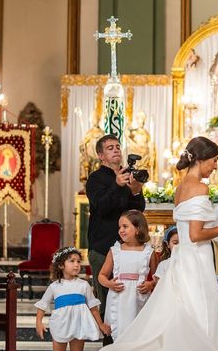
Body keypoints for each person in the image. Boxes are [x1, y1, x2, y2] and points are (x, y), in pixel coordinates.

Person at [102, 136, 218, 350]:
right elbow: (196, 234)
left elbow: (190, 229)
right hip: (196, 260)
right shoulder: (199, 187)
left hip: (184, 258)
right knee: (200, 312)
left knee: (182, 312)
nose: (216, 166)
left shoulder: (181, 187)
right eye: (214, 160)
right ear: (201, 159)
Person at [86, 134, 145, 321]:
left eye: (118, 146)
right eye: (110, 148)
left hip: (127, 247)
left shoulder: (127, 175)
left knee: (128, 299)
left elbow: (138, 210)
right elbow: (102, 206)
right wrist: (118, 185)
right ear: (101, 155)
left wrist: (136, 190)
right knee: (106, 301)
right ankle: (108, 343)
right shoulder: (95, 179)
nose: (116, 150)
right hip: (103, 247)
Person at [35, 247, 111, 350]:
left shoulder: (83, 285)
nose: (76, 264)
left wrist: (101, 324)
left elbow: (92, 306)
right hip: (60, 323)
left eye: (78, 261)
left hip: (79, 324)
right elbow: (42, 305)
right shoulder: (54, 286)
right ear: (61, 265)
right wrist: (39, 323)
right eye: (72, 261)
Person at [98, 210, 157, 341]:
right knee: (118, 329)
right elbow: (101, 275)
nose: (121, 230)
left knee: (137, 331)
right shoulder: (115, 251)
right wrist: (109, 284)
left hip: (139, 296)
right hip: (118, 296)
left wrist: (150, 284)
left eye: (125, 226)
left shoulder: (149, 252)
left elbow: (157, 277)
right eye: (119, 227)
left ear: (138, 229)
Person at [125, 111, 157, 181]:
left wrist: (152, 155)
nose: (141, 121)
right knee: (136, 171)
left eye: (142, 119)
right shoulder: (134, 132)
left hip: (145, 156)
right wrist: (127, 125)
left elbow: (150, 144)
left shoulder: (146, 133)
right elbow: (126, 135)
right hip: (137, 153)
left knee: (144, 172)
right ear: (137, 120)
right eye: (139, 119)